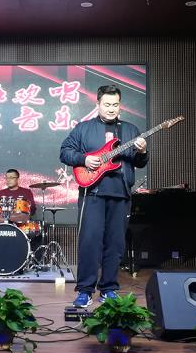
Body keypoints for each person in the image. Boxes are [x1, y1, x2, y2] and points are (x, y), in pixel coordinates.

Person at [60, 85, 148, 307]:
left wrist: (142, 152)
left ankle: (109, 289)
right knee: (89, 242)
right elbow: (65, 152)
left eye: (115, 104)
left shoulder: (130, 130)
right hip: (93, 193)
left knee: (115, 245)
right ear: (98, 104)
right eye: (107, 104)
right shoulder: (83, 128)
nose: (111, 109)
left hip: (121, 194)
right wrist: (84, 159)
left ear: (120, 105)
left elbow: (139, 162)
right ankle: (85, 290)